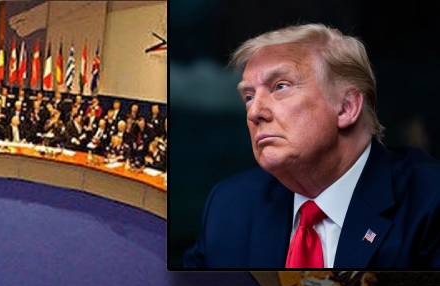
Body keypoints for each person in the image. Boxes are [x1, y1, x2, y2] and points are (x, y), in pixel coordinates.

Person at [184, 24, 440, 268]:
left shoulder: (429, 200)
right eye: (249, 97)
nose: (254, 112)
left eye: (280, 86)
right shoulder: (229, 206)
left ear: (346, 108)